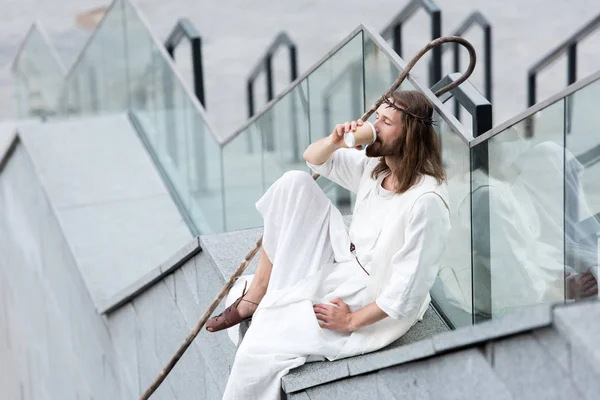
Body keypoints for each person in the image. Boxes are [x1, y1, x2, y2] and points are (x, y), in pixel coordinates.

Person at [206, 90, 451, 400]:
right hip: (347, 259)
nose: (375, 126)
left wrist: (350, 321)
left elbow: (406, 292)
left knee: (261, 348)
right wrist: (336, 140)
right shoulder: (378, 167)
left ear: (410, 135)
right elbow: (314, 158)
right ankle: (258, 290)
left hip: (371, 296)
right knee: (293, 183)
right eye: (377, 118)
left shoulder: (425, 202)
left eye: (386, 122)